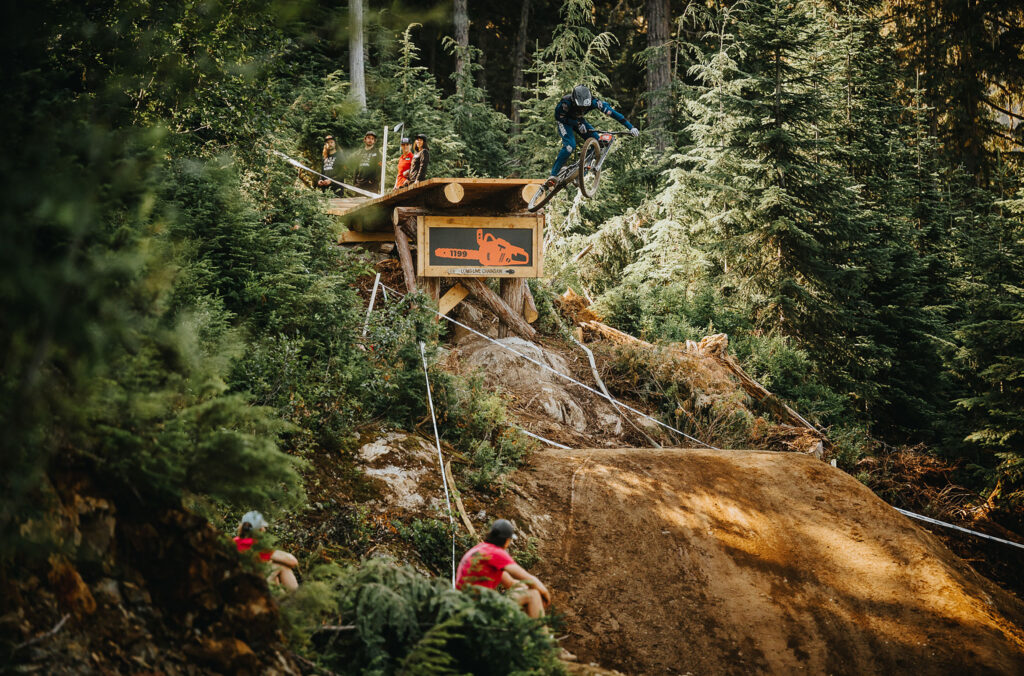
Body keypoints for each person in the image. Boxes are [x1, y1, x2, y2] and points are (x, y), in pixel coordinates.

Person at [543, 84, 639, 191]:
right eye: (580, 106)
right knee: (570, 146)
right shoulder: (565, 104)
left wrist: (631, 127)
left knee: (597, 143)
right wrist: (577, 123)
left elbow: (613, 113)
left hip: (579, 121)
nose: (583, 109)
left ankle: (580, 173)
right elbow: (559, 118)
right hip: (565, 122)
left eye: (585, 107)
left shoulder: (594, 103)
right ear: (574, 101)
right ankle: (553, 175)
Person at [456, 519, 550, 619]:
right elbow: (528, 579)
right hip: (479, 608)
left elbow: (510, 583)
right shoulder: (496, 552)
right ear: (507, 541)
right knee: (533, 595)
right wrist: (545, 594)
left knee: (527, 591)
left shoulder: (481, 549)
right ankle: (541, 634)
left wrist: (526, 588)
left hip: (464, 604)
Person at [233, 511, 299, 591]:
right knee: (281, 566)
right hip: (249, 584)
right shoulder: (255, 545)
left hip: (239, 580)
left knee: (273, 573)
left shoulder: (236, 541)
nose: (264, 530)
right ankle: (297, 597)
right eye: (261, 527)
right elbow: (293, 561)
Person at [350, 130, 382, 194]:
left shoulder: (377, 153)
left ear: (374, 141)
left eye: (372, 139)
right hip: (359, 184)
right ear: (365, 139)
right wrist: (355, 183)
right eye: (369, 138)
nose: (370, 140)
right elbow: (356, 168)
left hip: (371, 185)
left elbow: (379, 169)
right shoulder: (359, 153)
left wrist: (374, 182)